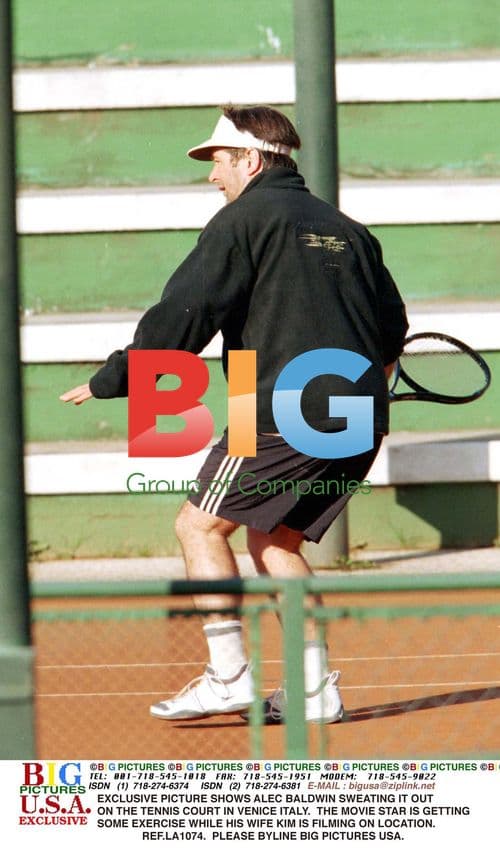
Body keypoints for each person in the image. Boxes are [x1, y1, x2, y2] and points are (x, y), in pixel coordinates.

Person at [61, 104, 408, 724]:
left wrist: (115, 377)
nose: (211, 176)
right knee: (274, 540)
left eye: (218, 161)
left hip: (281, 405)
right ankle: (313, 689)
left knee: (198, 527)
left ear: (250, 159)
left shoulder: (242, 221)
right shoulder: (350, 230)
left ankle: (228, 676)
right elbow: (392, 334)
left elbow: (186, 314)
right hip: (347, 407)